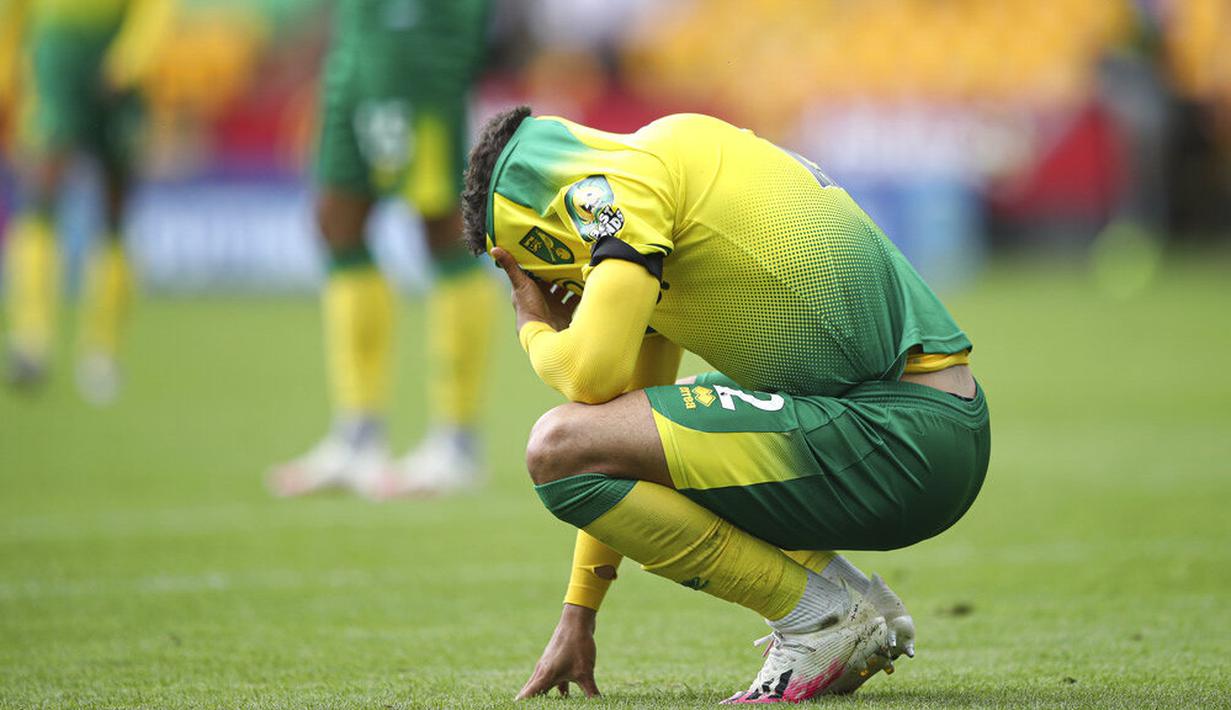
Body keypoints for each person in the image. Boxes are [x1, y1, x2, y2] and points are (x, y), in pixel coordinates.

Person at [461, 107, 990, 702]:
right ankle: (849, 599)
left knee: (553, 445)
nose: (544, 282)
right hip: (927, 424)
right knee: (633, 425)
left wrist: (532, 325)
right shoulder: (663, 168)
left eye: (525, 266)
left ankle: (819, 617)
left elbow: (589, 378)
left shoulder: (614, 191)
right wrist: (579, 611)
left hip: (902, 435)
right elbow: (616, 429)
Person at [268, 0, 497, 499]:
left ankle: (458, 443)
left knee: (442, 225)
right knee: (336, 220)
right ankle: (358, 435)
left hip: (417, 40)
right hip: (356, 44)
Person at [0, 0, 173, 404]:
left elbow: (156, 7)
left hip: (113, 57)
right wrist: (8, 72)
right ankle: (31, 339)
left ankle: (103, 350)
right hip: (55, 53)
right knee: (40, 191)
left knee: (115, 208)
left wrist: (130, 59)